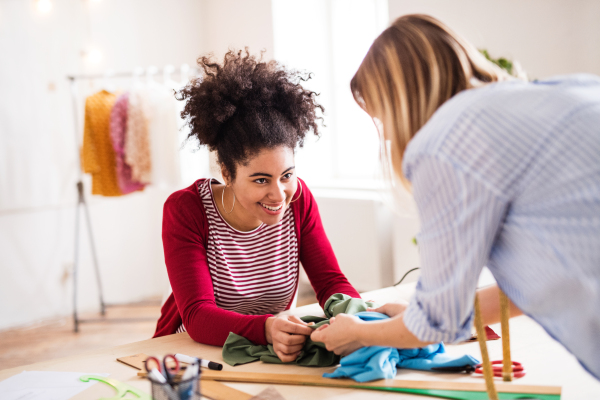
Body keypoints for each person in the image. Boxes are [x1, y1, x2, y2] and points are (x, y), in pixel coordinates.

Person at [311, 14, 600, 379]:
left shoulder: (446, 140)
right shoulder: (557, 92)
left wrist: (359, 332)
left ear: (399, 103)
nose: (387, 135)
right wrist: (419, 314)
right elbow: (543, 279)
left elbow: (436, 323)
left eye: (382, 118)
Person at [154, 50, 361, 362]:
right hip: (192, 355)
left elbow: (331, 282)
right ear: (227, 173)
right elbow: (198, 316)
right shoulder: (187, 210)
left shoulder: (299, 200)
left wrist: (357, 320)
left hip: (268, 349)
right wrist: (266, 328)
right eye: (261, 180)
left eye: (287, 175)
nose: (279, 195)